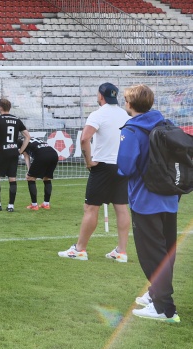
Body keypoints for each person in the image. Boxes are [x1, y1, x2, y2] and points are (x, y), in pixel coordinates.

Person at [117, 84, 181, 323]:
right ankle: (155, 293)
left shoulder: (132, 129)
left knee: (151, 253)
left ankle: (164, 308)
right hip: (170, 197)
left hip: (146, 200)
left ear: (129, 104)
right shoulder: (166, 123)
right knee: (165, 250)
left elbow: (125, 167)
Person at [59, 82, 130, 262]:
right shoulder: (125, 115)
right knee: (121, 208)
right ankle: (121, 251)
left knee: (91, 208)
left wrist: (88, 161)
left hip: (103, 166)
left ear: (100, 96)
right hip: (121, 166)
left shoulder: (98, 114)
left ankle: (80, 249)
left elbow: (84, 139)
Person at [0, 98, 30, 212]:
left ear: (0, 107)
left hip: (2, 151)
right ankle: (11, 206)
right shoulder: (17, 119)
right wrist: (21, 150)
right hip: (14, 152)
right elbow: (28, 136)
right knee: (12, 178)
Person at [21, 136, 58, 211]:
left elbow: (26, 156)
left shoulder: (20, 141)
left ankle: (34, 205)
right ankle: (46, 204)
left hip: (42, 155)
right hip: (54, 154)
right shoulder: (36, 139)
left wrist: (29, 170)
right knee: (47, 178)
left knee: (30, 178)